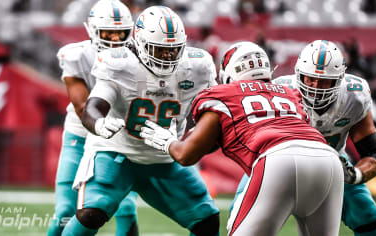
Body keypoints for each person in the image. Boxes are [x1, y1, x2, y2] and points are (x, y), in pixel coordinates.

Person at [140, 41, 344, 236]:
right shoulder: (290, 93)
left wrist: (168, 141)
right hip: (328, 159)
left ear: (229, 72)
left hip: (277, 159)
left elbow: (186, 156)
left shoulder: (223, 94)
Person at [61, 6, 220, 236]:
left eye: (173, 50)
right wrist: (99, 123)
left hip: (165, 157)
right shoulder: (119, 63)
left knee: (207, 220)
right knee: (91, 213)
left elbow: (214, 111)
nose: (167, 57)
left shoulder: (196, 66)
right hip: (117, 152)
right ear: (141, 43)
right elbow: (93, 106)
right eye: (160, 49)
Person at [270, 39, 376, 236]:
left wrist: (354, 175)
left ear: (339, 79)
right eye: (310, 79)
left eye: (324, 81)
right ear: (299, 75)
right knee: (242, 213)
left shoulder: (354, 97)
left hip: (334, 163)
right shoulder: (278, 93)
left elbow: (375, 154)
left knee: (368, 217)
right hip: (280, 164)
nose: (316, 88)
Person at [47, 1, 139, 235]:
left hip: (119, 139)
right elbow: (82, 107)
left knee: (126, 207)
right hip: (81, 133)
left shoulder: (139, 56)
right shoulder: (77, 55)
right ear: (92, 29)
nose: (115, 39)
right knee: (66, 210)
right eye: (108, 32)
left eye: (121, 33)